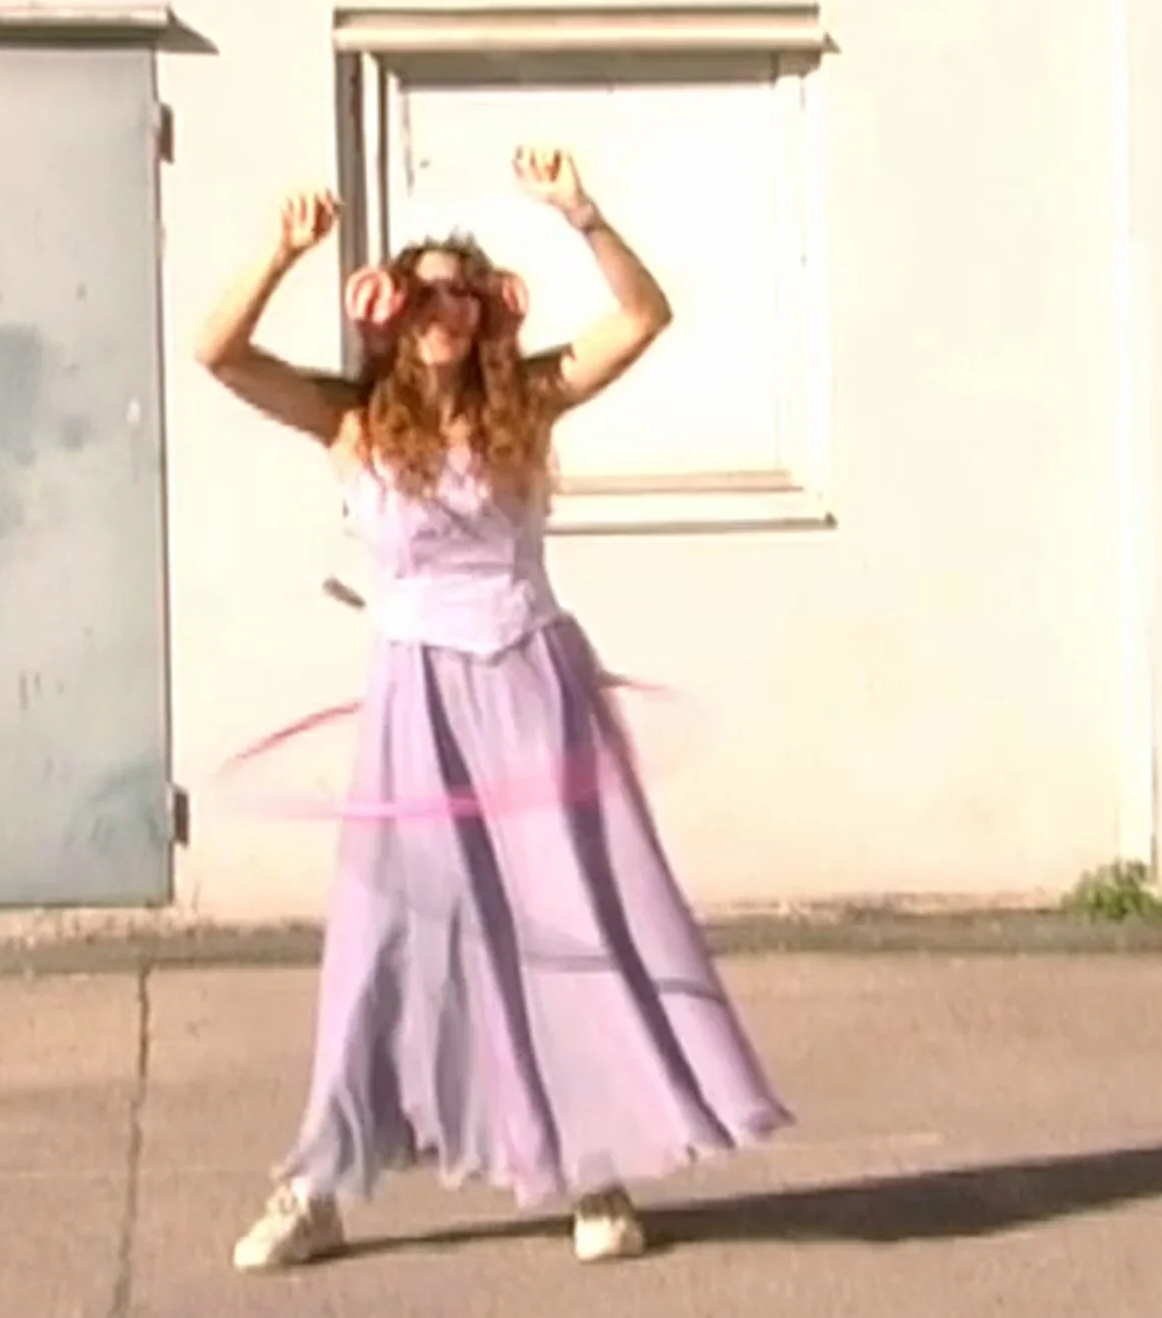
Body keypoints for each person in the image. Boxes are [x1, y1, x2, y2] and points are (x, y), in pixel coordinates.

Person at [192, 146, 792, 1271]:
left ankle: (594, 1172)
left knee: (566, 922)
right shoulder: (352, 420)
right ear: (388, 311)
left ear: (484, 312)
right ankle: (318, 1185)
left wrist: (583, 215)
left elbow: (643, 317)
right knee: (386, 943)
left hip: (528, 684)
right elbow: (216, 353)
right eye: (418, 293)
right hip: (415, 698)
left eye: (459, 293)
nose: (440, 310)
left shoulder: (527, 401)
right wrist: (281, 252)